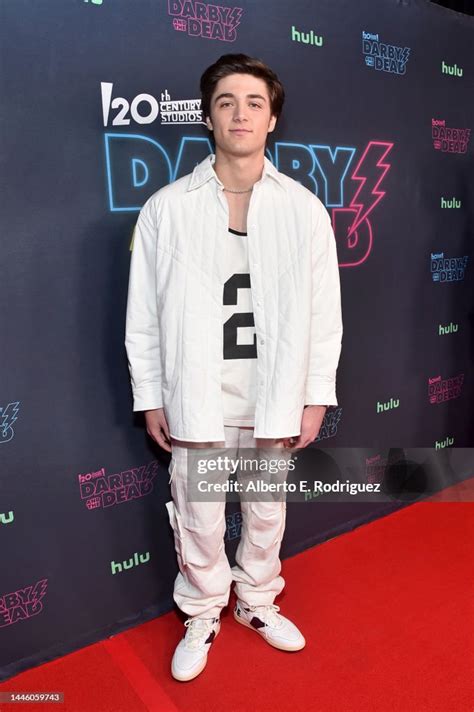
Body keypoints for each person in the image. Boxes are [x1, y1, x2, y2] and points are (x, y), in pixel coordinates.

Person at [124, 53, 343, 682]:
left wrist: (315, 394)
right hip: (197, 392)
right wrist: (151, 394)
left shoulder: (303, 209)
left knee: (267, 508)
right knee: (197, 509)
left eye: (253, 102)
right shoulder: (167, 208)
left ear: (272, 118)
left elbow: (325, 314)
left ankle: (256, 601)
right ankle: (201, 609)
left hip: (273, 392)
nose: (240, 113)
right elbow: (143, 313)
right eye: (226, 102)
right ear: (208, 117)